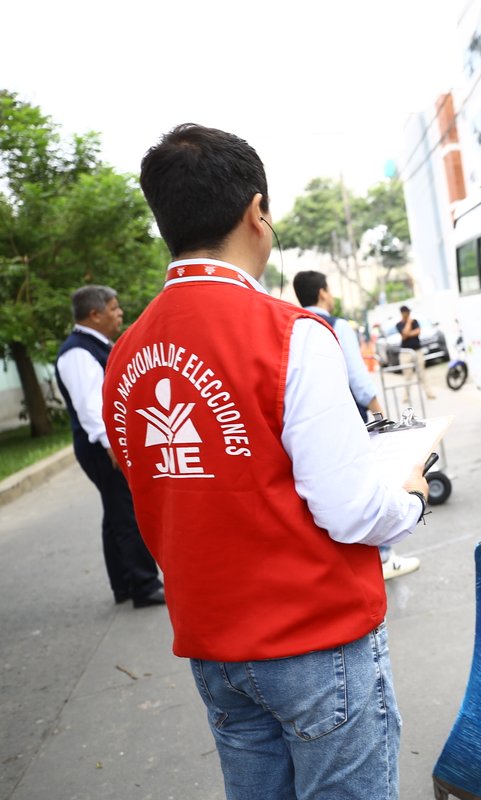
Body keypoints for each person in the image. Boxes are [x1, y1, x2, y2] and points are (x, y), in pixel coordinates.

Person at [103, 124, 430, 800]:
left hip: (214, 647)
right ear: (257, 213)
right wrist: (410, 500)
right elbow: (349, 509)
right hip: (314, 641)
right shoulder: (290, 337)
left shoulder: (125, 356)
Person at [293, 270, 420, 581]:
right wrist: (379, 411)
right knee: (366, 487)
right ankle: (385, 557)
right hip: (349, 418)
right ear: (323, 293)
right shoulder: (335, 326)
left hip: (311, 425)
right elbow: (357, 377)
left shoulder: (295, 326)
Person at [55, 286, 165, 608]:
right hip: (101, 446)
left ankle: (125, 584)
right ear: (94, 314)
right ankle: (144, 586)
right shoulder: (78, 351)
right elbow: (90, 406)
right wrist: (111, 443)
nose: (120, 314)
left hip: (105, 444)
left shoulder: (94, 346)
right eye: (114, 308)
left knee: (115, 511)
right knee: (125, 512)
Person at [396, 305, 435, 401]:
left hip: (417, 350)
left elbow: (417, 332)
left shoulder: (415, 322)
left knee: (422, 373)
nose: (408, 314)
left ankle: (429, 393)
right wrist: (408, 323)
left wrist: (408, 333)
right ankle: (406, 397)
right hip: (406, 353)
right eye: (406, 312)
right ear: (402, 313)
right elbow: (404, 335)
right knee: (407, 375)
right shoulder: (399, 324)